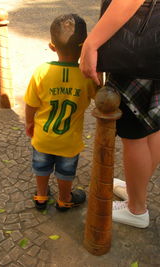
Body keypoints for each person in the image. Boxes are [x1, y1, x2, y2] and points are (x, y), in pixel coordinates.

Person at [80, 0, 160, 228]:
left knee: (134, 133)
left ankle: (136, 208)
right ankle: (136, 190)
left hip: (137, 53)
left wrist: (91, 43)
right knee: (152, 126)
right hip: (153, 48)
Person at [24, 14, 97, 211]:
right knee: (66, 172)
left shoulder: (41, 71)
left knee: (41, 167)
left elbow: (30, 104)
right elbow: (101, 98)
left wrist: (29, 123)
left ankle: (41, 196)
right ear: (84, 45)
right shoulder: (86, 76)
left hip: (43, 137)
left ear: (52, 46)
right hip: (69, 141)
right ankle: (64, 199)